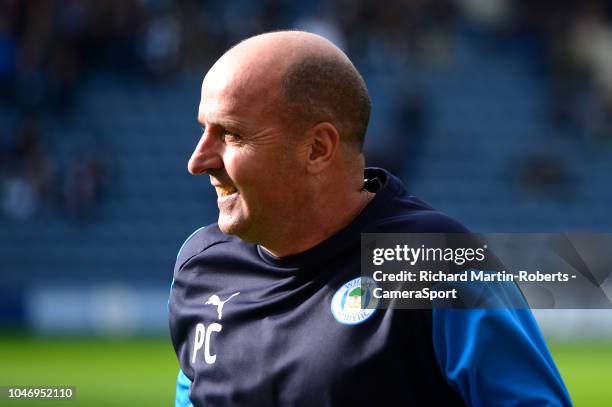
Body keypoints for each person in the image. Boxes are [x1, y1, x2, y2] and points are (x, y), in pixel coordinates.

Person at [168, 30, 572, 406]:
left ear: (317, 149)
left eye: (232, 135)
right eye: (204, 130)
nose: (197, 161)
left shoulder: (429, 260)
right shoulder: (202, 265)